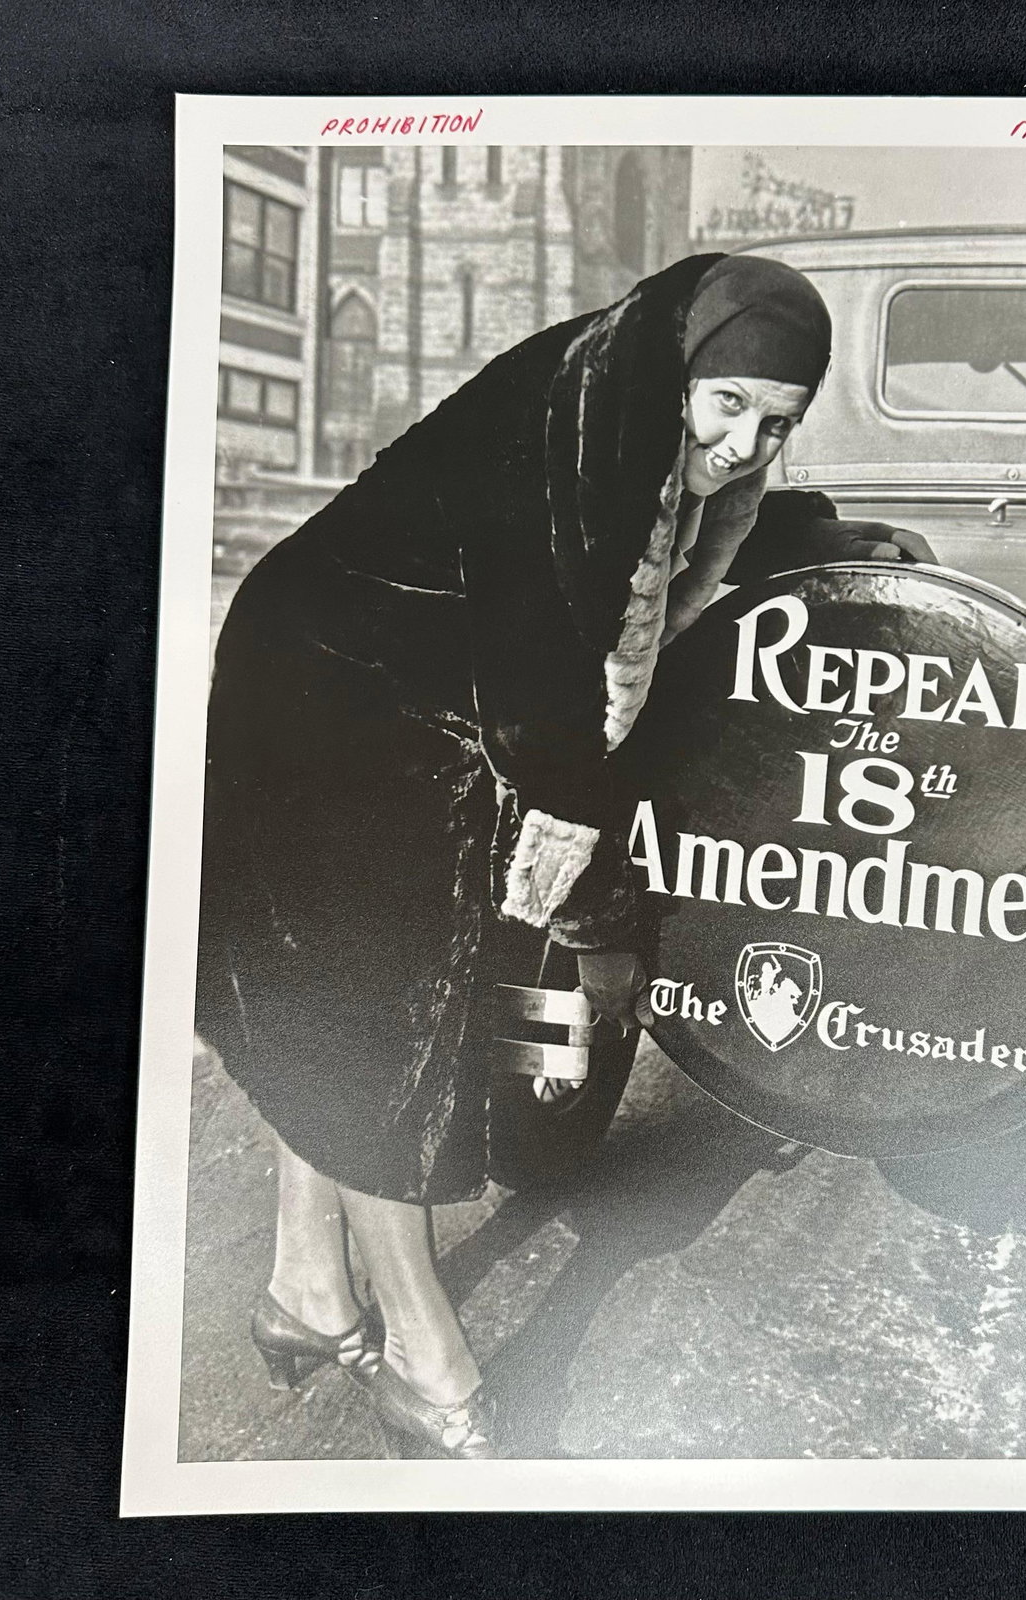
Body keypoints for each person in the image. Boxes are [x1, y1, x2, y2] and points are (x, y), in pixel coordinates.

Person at [196, 253, 932, 1459]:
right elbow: (545, 721)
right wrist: (603, 926)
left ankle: (307, 1290)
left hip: (408, 674)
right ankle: (426, 1364)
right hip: (330, 688)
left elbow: (689, 522)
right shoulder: (575, 429)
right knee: (384, 1024)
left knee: (334, 997)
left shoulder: (647, 402)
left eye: (777, 423)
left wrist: (818, 532)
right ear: (684, 371)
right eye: (729, 405)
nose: (745, 445)